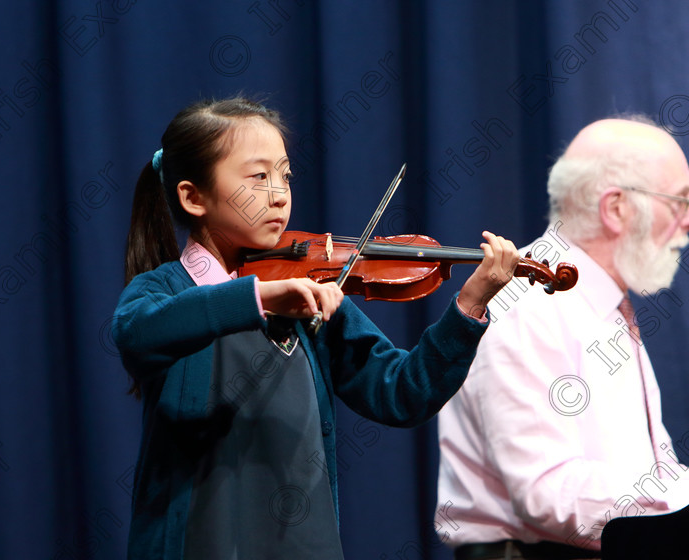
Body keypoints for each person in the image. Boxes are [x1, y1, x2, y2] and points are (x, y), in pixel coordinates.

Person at [113, 96, 520, 560]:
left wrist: (469, 305)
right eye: (258, 177)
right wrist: (259, 297)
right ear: (193, 196)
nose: (280, 194)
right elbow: (136, 332)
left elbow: (403, 392)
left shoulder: (308, 292)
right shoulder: (166, 289)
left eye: (285, 175)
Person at [436, 116, 689, 560]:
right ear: (616, 209)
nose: (686, 223)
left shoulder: (600, 299)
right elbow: (545, 491)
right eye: (679, 202)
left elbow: (653, 467)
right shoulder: (526, 305)